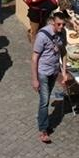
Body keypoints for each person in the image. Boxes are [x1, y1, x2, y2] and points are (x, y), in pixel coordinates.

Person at [32, 11, 68, 143]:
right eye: (59, 24)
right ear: (53, 21)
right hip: (43, 72)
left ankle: (41, 119)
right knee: (45, 101)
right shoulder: (42, 35)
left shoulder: (63, 33)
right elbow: (34, 58)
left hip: (53, 72)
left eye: (63, 24)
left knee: (45, 99)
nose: (61, 27)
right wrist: (35, 79)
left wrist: (64, 72)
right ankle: (43, 130)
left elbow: (64, 53)